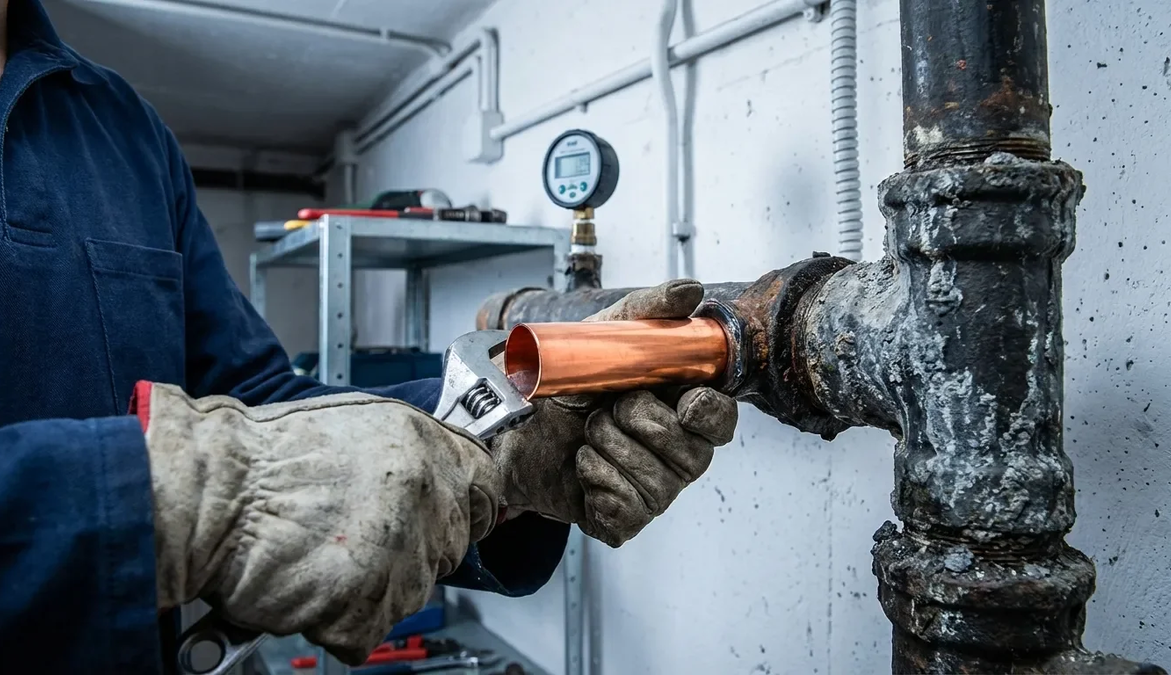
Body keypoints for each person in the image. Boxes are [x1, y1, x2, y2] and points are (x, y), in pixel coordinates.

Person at [0, 0, 740, 671]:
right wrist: (170, 500)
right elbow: (241, 467)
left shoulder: (120, 126)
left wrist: (499, 429)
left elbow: (260, 397)